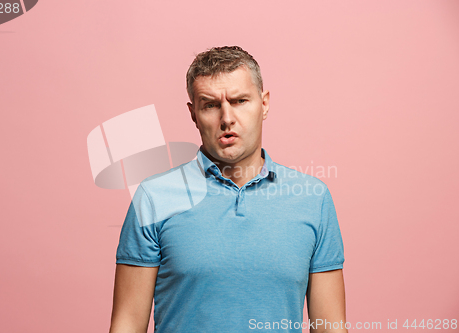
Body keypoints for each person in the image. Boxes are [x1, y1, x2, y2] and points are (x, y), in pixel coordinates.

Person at [109, 46, 348, 333]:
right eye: (210, 105)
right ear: (193, 114)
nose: (227, 118)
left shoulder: (312, 198)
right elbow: (128, 325)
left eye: (239, 101)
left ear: (264, 104)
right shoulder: (153, 198)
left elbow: (329, 327)